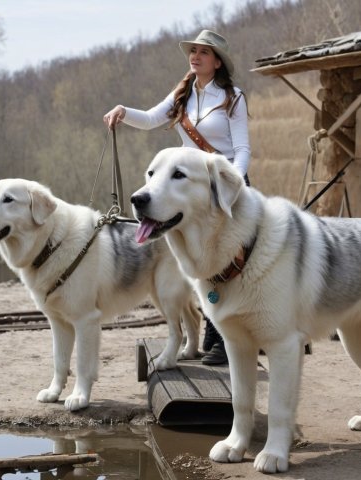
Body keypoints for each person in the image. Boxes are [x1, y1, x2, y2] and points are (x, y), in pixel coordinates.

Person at [103, 29, 251, 365]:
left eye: (203, 52)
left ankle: (220, 338)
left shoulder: (233, 97)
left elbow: (242, 149)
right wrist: (124, 112)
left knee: (228, 264)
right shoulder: (183, 93)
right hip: (187, 187)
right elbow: (153, 118)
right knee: (200, 262)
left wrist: (232, 185)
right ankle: (216, 332)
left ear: (217, 61)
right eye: (193, 50)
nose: (195, 56)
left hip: (223, 185)